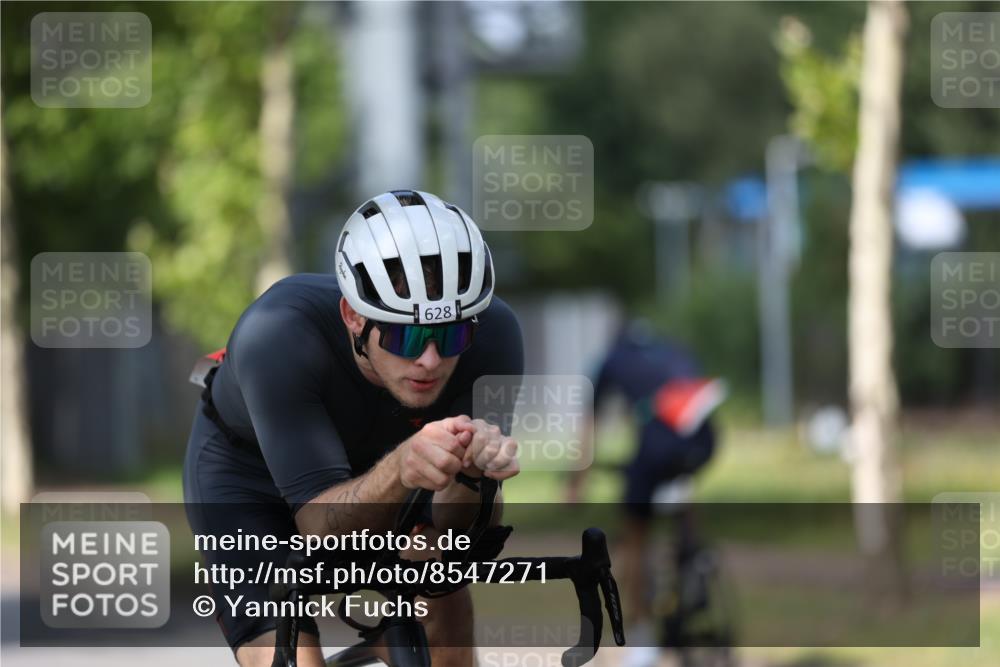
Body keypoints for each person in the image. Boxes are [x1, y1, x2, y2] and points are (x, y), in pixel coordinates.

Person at [183, 190, 524, 667]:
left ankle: (397, 638)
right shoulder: (277, 333)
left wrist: (473, 475)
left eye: (450, 336)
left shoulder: (495, 334)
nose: (429, 360)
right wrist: (403, 467)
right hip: (250, 477)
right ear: (353, 316)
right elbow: (319, 530)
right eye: (404, 336)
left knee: (441, 582)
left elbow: (462, 533)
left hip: (382, 461)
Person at [566, 320, 722, 666]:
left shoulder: (611, 358)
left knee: (635, 537)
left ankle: (643, 640)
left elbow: (588, 424)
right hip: (704, 439)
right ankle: (694, 557)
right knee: (679, 482)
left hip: (658, 444)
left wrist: (577, 483)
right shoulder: (671, 348)